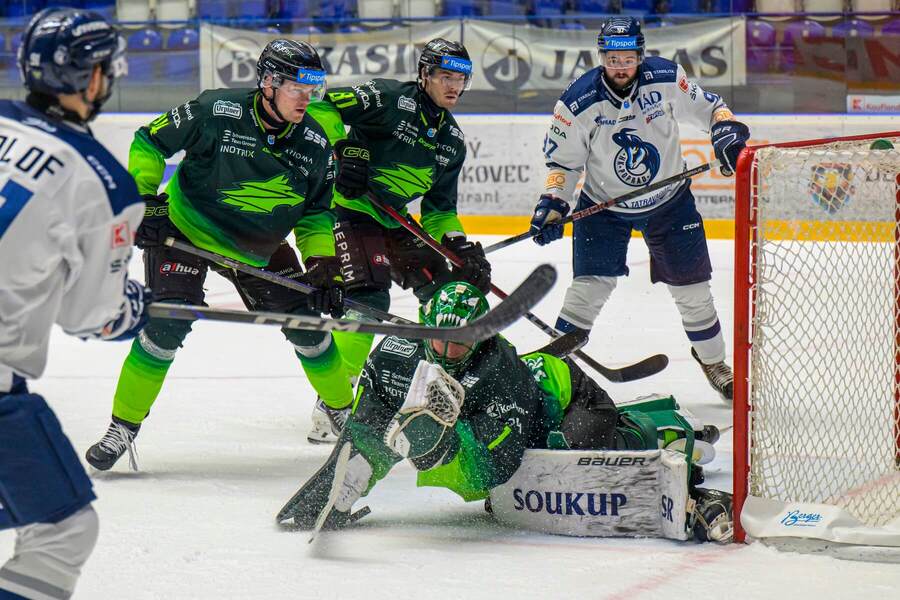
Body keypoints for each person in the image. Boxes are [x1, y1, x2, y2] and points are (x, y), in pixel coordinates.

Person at [276, 281, 731, 542]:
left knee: (577, 450)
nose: (449, 352)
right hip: (512, 418)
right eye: (439, 340)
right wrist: (338, 484)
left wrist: (443, 448)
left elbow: (496, 470)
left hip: (564, 401)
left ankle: (663, 427)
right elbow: (368, 427)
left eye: (461, 343)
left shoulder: (501, 372)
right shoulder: (395, 354)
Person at [84, 39, 352, 471]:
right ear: (269, 83)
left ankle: (345, 415)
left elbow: (316, 213)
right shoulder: (216, 110)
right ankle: (122, 427)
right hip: (185, 231)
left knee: (308, 327)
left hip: (259, 246)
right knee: (166, 324)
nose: (307, 98)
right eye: (297, 88)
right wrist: (144, 200)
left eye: (313, 89)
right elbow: (149, 142)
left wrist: (323, 263)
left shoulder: (315, 143)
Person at [0, 9, 147, 599]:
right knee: (62, 531)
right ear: (93, 77)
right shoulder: (103, 182)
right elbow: (89, 317)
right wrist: (131, 308)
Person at [527, 17, 751, 402]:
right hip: (603, 207)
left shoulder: (666, 77)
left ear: (640, 56)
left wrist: (724, 129)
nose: (620, 67)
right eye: (612, 59)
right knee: (588, 289)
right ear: (601, 57)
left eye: (628, 59)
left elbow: (714, 108)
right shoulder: (577, 102)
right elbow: (563, 164)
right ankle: (554, 372)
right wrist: (553, 203)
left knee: (693, 291)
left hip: (670, 202)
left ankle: (714, 363)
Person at [303, 38, 492, 443]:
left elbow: (440, 210)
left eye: (460, 79)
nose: (453, 86)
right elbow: (320, 103)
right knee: (369, 299)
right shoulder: (388, 97)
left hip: (393, 219)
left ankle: (437, 389)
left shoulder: (452, 141)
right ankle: (332, 403)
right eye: (445, 76)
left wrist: (459, 246)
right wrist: (342, 149)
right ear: (424, 75)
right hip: (348, 208)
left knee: (445, 293)